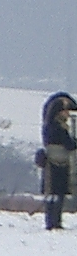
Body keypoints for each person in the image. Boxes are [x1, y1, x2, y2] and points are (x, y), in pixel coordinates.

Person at [43, 95, 75, 231]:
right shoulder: (58, 127)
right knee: (57, 193)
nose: (67, 114)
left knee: (55, 194)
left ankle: (53, 221)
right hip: (58, 162)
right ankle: (54, 222)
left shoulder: (50, 126)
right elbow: (69, 144)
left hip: (54, 162)